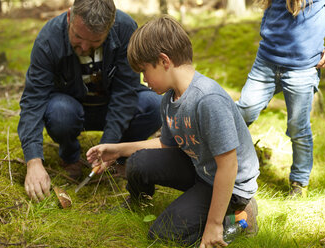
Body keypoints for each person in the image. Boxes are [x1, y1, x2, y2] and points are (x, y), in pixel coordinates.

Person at [86, 16, 260, 247]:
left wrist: (214, 224)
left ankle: (239, 217)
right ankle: (139, 203)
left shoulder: (208, 99)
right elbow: (167, 144)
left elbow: (229, 165)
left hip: (231, 184)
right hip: (201, 169)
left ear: (163, 60)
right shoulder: (169, 97)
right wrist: (117, 150)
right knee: (138, 161)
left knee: (164, 233)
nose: (144, 80)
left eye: (144, 71)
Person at [18, 0, 162, 202]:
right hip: (71, 109)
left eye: (94, 42)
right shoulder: (49, 38)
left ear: (110, 28)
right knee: (59, 111)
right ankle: (70, 157)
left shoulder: (125, 29)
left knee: (154, 105)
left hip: (112, 105)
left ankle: (119, 158)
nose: (84, 47)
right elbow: (33, 100)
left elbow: (125, 93)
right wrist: (33, 161)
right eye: (77, 36)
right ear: (69, 17)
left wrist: (108, 147)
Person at [236, 0, 325, 196]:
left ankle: (299, 184)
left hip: (303, 68)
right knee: (243, 111)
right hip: (266, 60)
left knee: (298, 127)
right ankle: (218, 161)